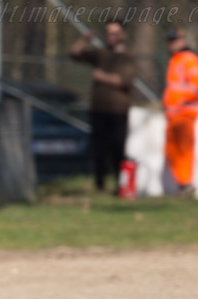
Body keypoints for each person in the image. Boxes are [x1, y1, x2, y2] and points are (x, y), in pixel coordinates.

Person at [69, 22, 137, 194]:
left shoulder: (127, 58)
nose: (111, 36)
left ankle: (121, 185)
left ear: (123, 35)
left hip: (118, 111)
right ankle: (100, 185)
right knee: (99, 149)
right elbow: (74, 54)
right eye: (108, 33)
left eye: (115, 33)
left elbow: (124, 81)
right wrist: (85, 39)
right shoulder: (101, 54)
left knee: (117, 149)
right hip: (98, 110)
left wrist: (102, 76)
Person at [163, 28, 198, 195]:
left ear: (183, 40)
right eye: (170, 40)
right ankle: (183, 183)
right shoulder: (175, 60)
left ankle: (186, 183)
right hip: (172, 114)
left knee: (185, 149)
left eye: (176, 40)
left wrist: (183, 99)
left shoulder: (189, 59)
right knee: (171, 151)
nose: (172, 44)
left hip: (185, 112)